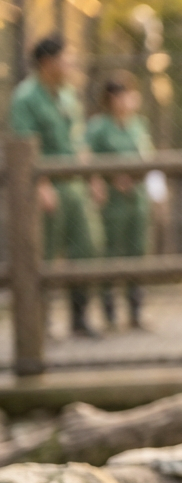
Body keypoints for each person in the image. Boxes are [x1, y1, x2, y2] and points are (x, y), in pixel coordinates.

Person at [9, 35, 102, 337]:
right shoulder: (25, 98)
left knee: (87, 248)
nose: (71, 64)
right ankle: (39, 321)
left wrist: (92, 177)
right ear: (47, 62)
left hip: (74, 185)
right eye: (66, 57)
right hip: (45, 186)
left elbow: (78, 141)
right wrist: (41, 185)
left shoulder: (67, 95)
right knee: (43, 254)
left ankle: (80, 316)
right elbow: (22, 144)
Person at [86, 71, 154, 330]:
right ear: (111, 98)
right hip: (111, 202)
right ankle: (109, 313)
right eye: (122, 95)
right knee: (110, 252)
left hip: (136, 199)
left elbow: (148, 156)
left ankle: (136, 311)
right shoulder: (98, 127)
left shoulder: (139, 125)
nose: (127, 100)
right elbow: (87, 157)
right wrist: (103, 179)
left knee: (138, 250)